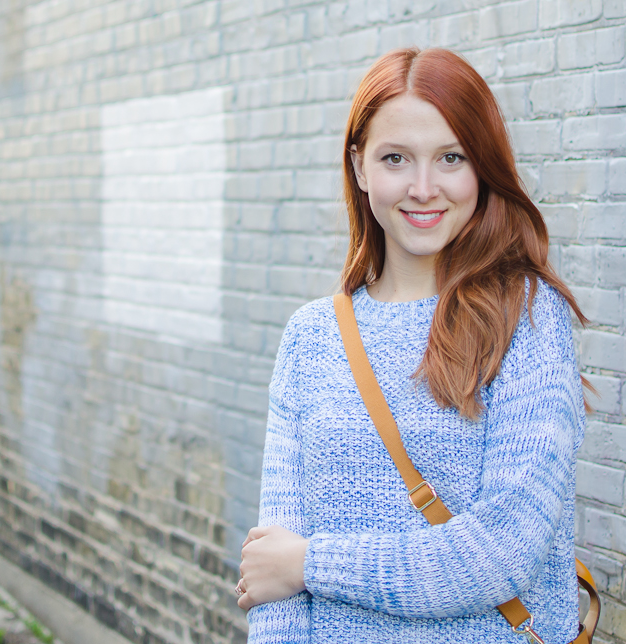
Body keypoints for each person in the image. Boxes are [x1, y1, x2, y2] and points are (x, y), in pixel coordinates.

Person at [236, 47, 589, 643]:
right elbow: (274, 578)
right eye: (395, 158)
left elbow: (501, 553)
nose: (424, 189)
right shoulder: (310, 337)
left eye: (451, 157)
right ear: (359, 167)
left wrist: (310, 565)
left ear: (481, 167)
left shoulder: (526, 319)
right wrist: (287, 571)